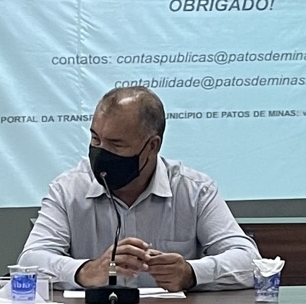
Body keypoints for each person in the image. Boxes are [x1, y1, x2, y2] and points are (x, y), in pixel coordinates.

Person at [19, 86, 259, 292]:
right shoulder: (68, 190)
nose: (101, 153)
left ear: (152, 146)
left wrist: (192, 273)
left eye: (116, 144)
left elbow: (250, 261)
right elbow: (29, 261)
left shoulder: (194, 191)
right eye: (95, 139)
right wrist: (85, 271)